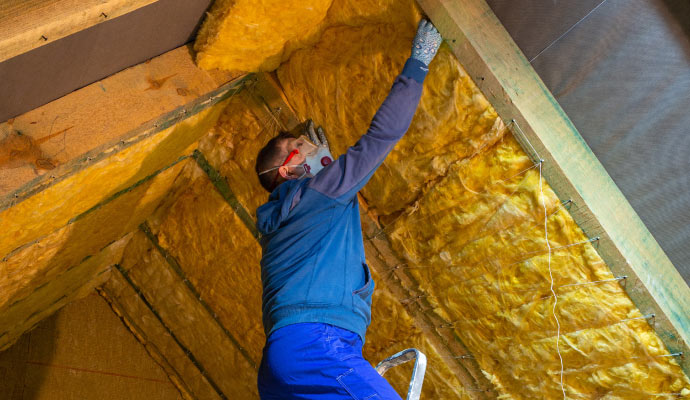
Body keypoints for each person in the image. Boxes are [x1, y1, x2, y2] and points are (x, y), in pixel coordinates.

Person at [253, 20, 442, 400]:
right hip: (315, 344)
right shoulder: (318, 192)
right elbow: (380, 138)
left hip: (285, 357)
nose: (315, 148)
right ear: (289, 169)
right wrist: (418, 64)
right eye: (304, 145)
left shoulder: (280, 221)